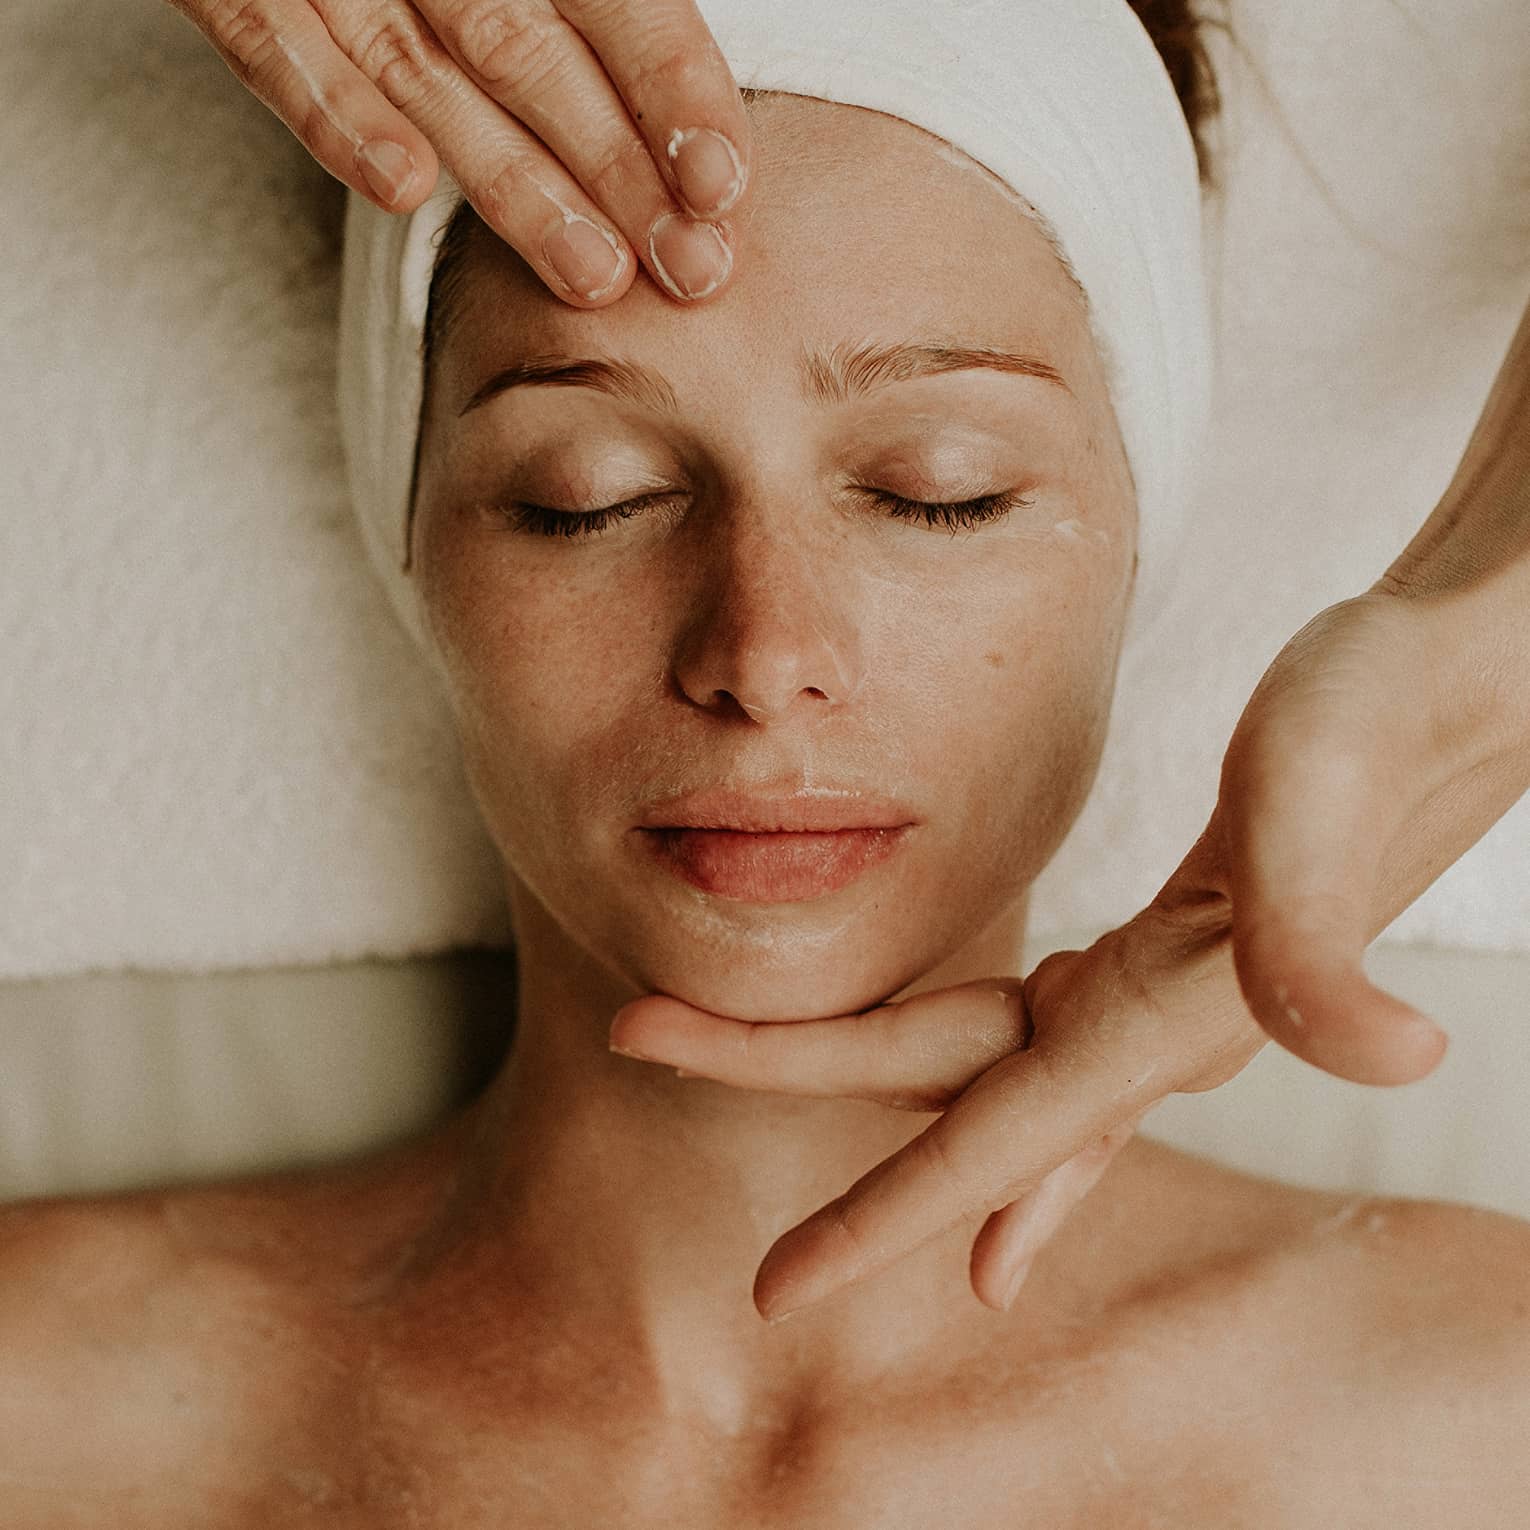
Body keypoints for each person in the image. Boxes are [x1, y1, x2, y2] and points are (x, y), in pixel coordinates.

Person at [4, 7, 1530, 1522]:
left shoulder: (1471, 1414)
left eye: (941, 493)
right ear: (412, 540)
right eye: (584, 498)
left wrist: (1473, 653)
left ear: (1138, 534)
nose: (762, 645)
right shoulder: (53, 1407)